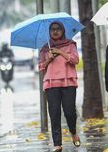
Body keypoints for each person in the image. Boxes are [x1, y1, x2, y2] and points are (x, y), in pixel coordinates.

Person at [38, 22, 80, 152]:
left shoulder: (70, 44)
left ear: (63, 30)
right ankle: (57, 144)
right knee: (54, 113)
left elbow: (75, 60)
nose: (55, 31)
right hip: (51, 83)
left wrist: (60, 52)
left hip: (68, 82)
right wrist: (49, 58)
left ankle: (73, 132)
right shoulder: (45, 48)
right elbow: (41, 67)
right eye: (52, 29)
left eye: (58, 29)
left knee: (69, 112)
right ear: (49, 32)